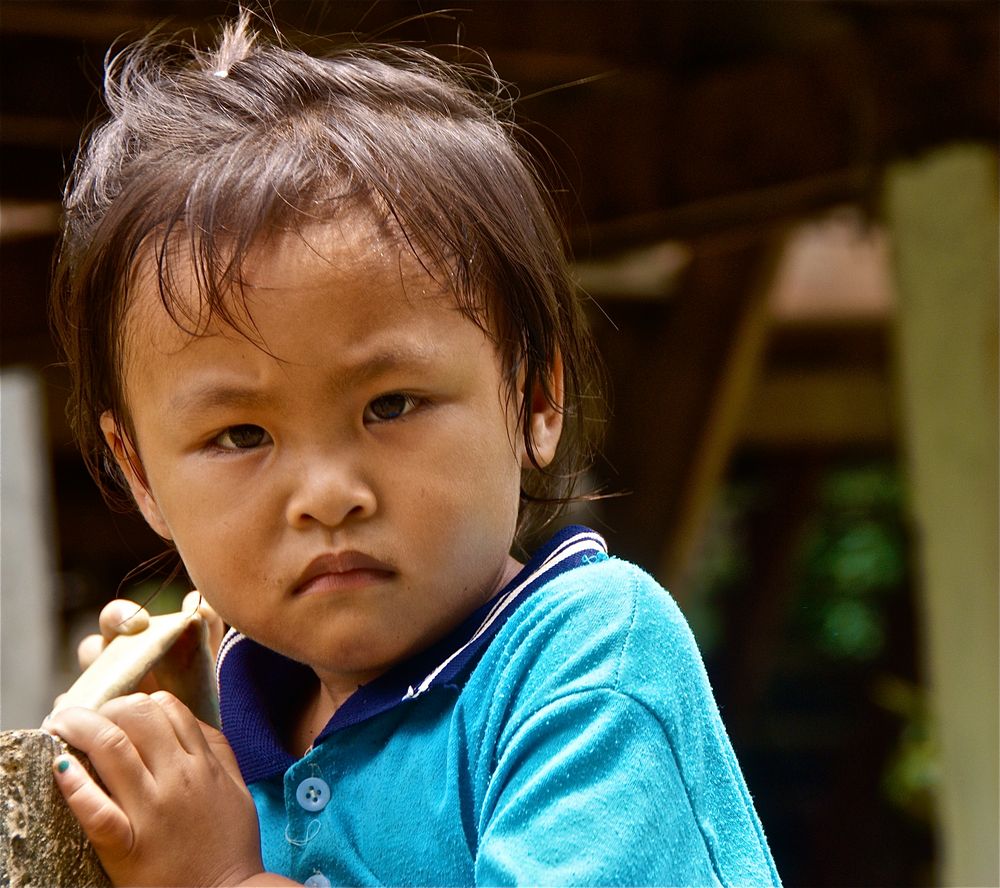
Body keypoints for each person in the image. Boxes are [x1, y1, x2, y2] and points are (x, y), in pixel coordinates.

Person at [44, 13, 781, 887]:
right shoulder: (235, 740)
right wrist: (153, 766)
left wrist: (222, 881)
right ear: (140, 475)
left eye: (390, 405)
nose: (327, 494)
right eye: (240, 435)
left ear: (533, 399)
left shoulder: (584, 659)